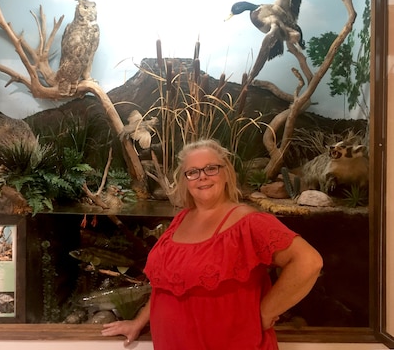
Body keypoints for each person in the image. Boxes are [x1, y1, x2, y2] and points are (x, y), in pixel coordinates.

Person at [101, 139, 323, 349]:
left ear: (226, 173)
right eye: (193, 172)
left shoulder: (249, 222)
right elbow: (167, 285)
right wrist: (138, 322)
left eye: (211, 168)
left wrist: (265, 313)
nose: (202, 177)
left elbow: (308, 262)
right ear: (185, 180)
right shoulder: (181, 219)